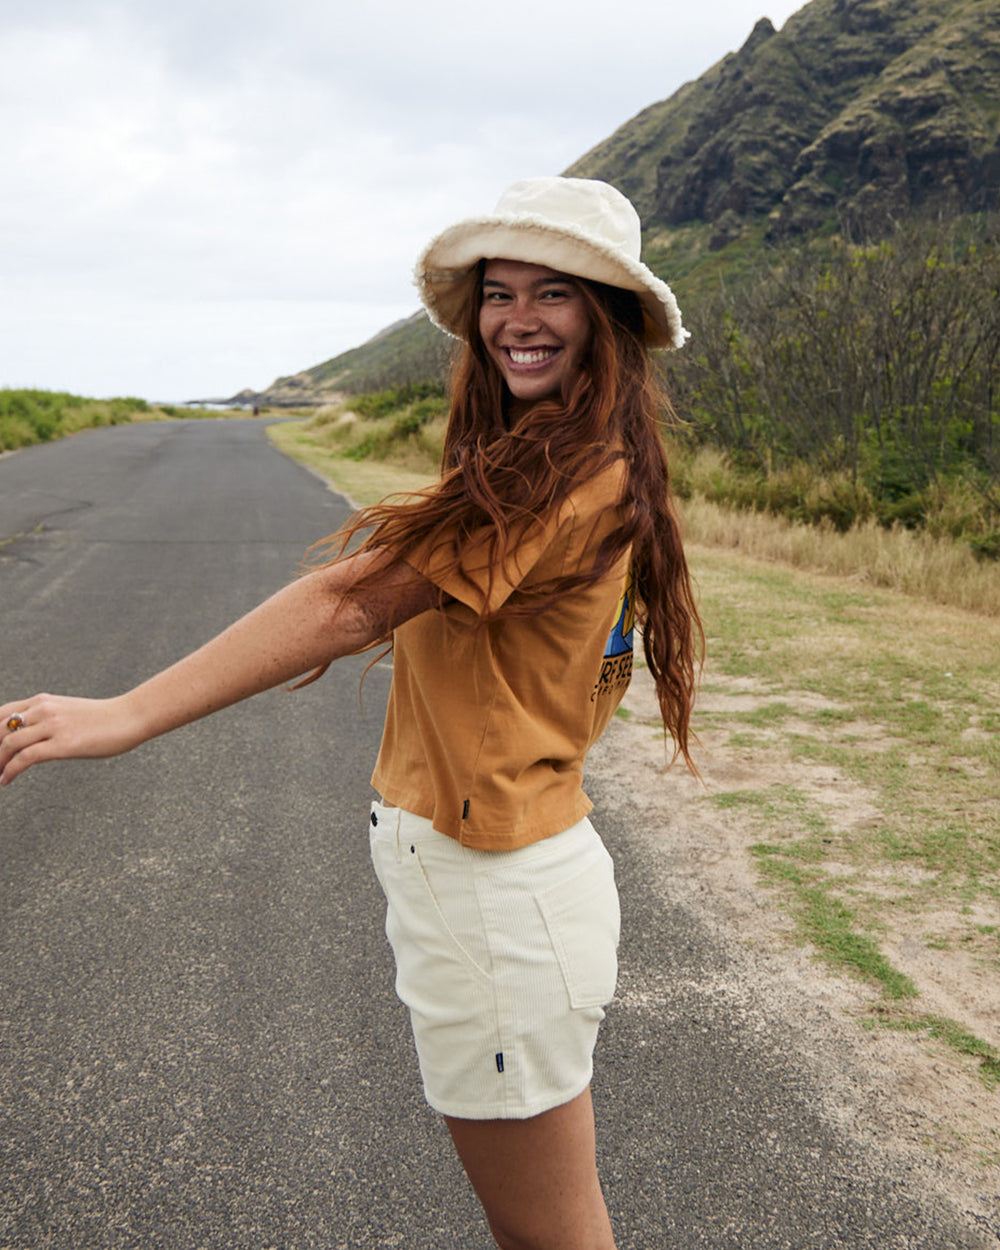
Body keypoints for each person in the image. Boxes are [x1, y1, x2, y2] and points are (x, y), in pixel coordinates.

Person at [0, 176, 701, 1250]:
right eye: (498, 291)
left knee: (552, 1232)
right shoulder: (567, 457)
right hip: (504, 881)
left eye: (553, 293)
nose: (516, 318)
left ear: (605, 316)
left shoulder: (559, 479)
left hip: (496, 895)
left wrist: (129, 713)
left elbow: (346, 601)